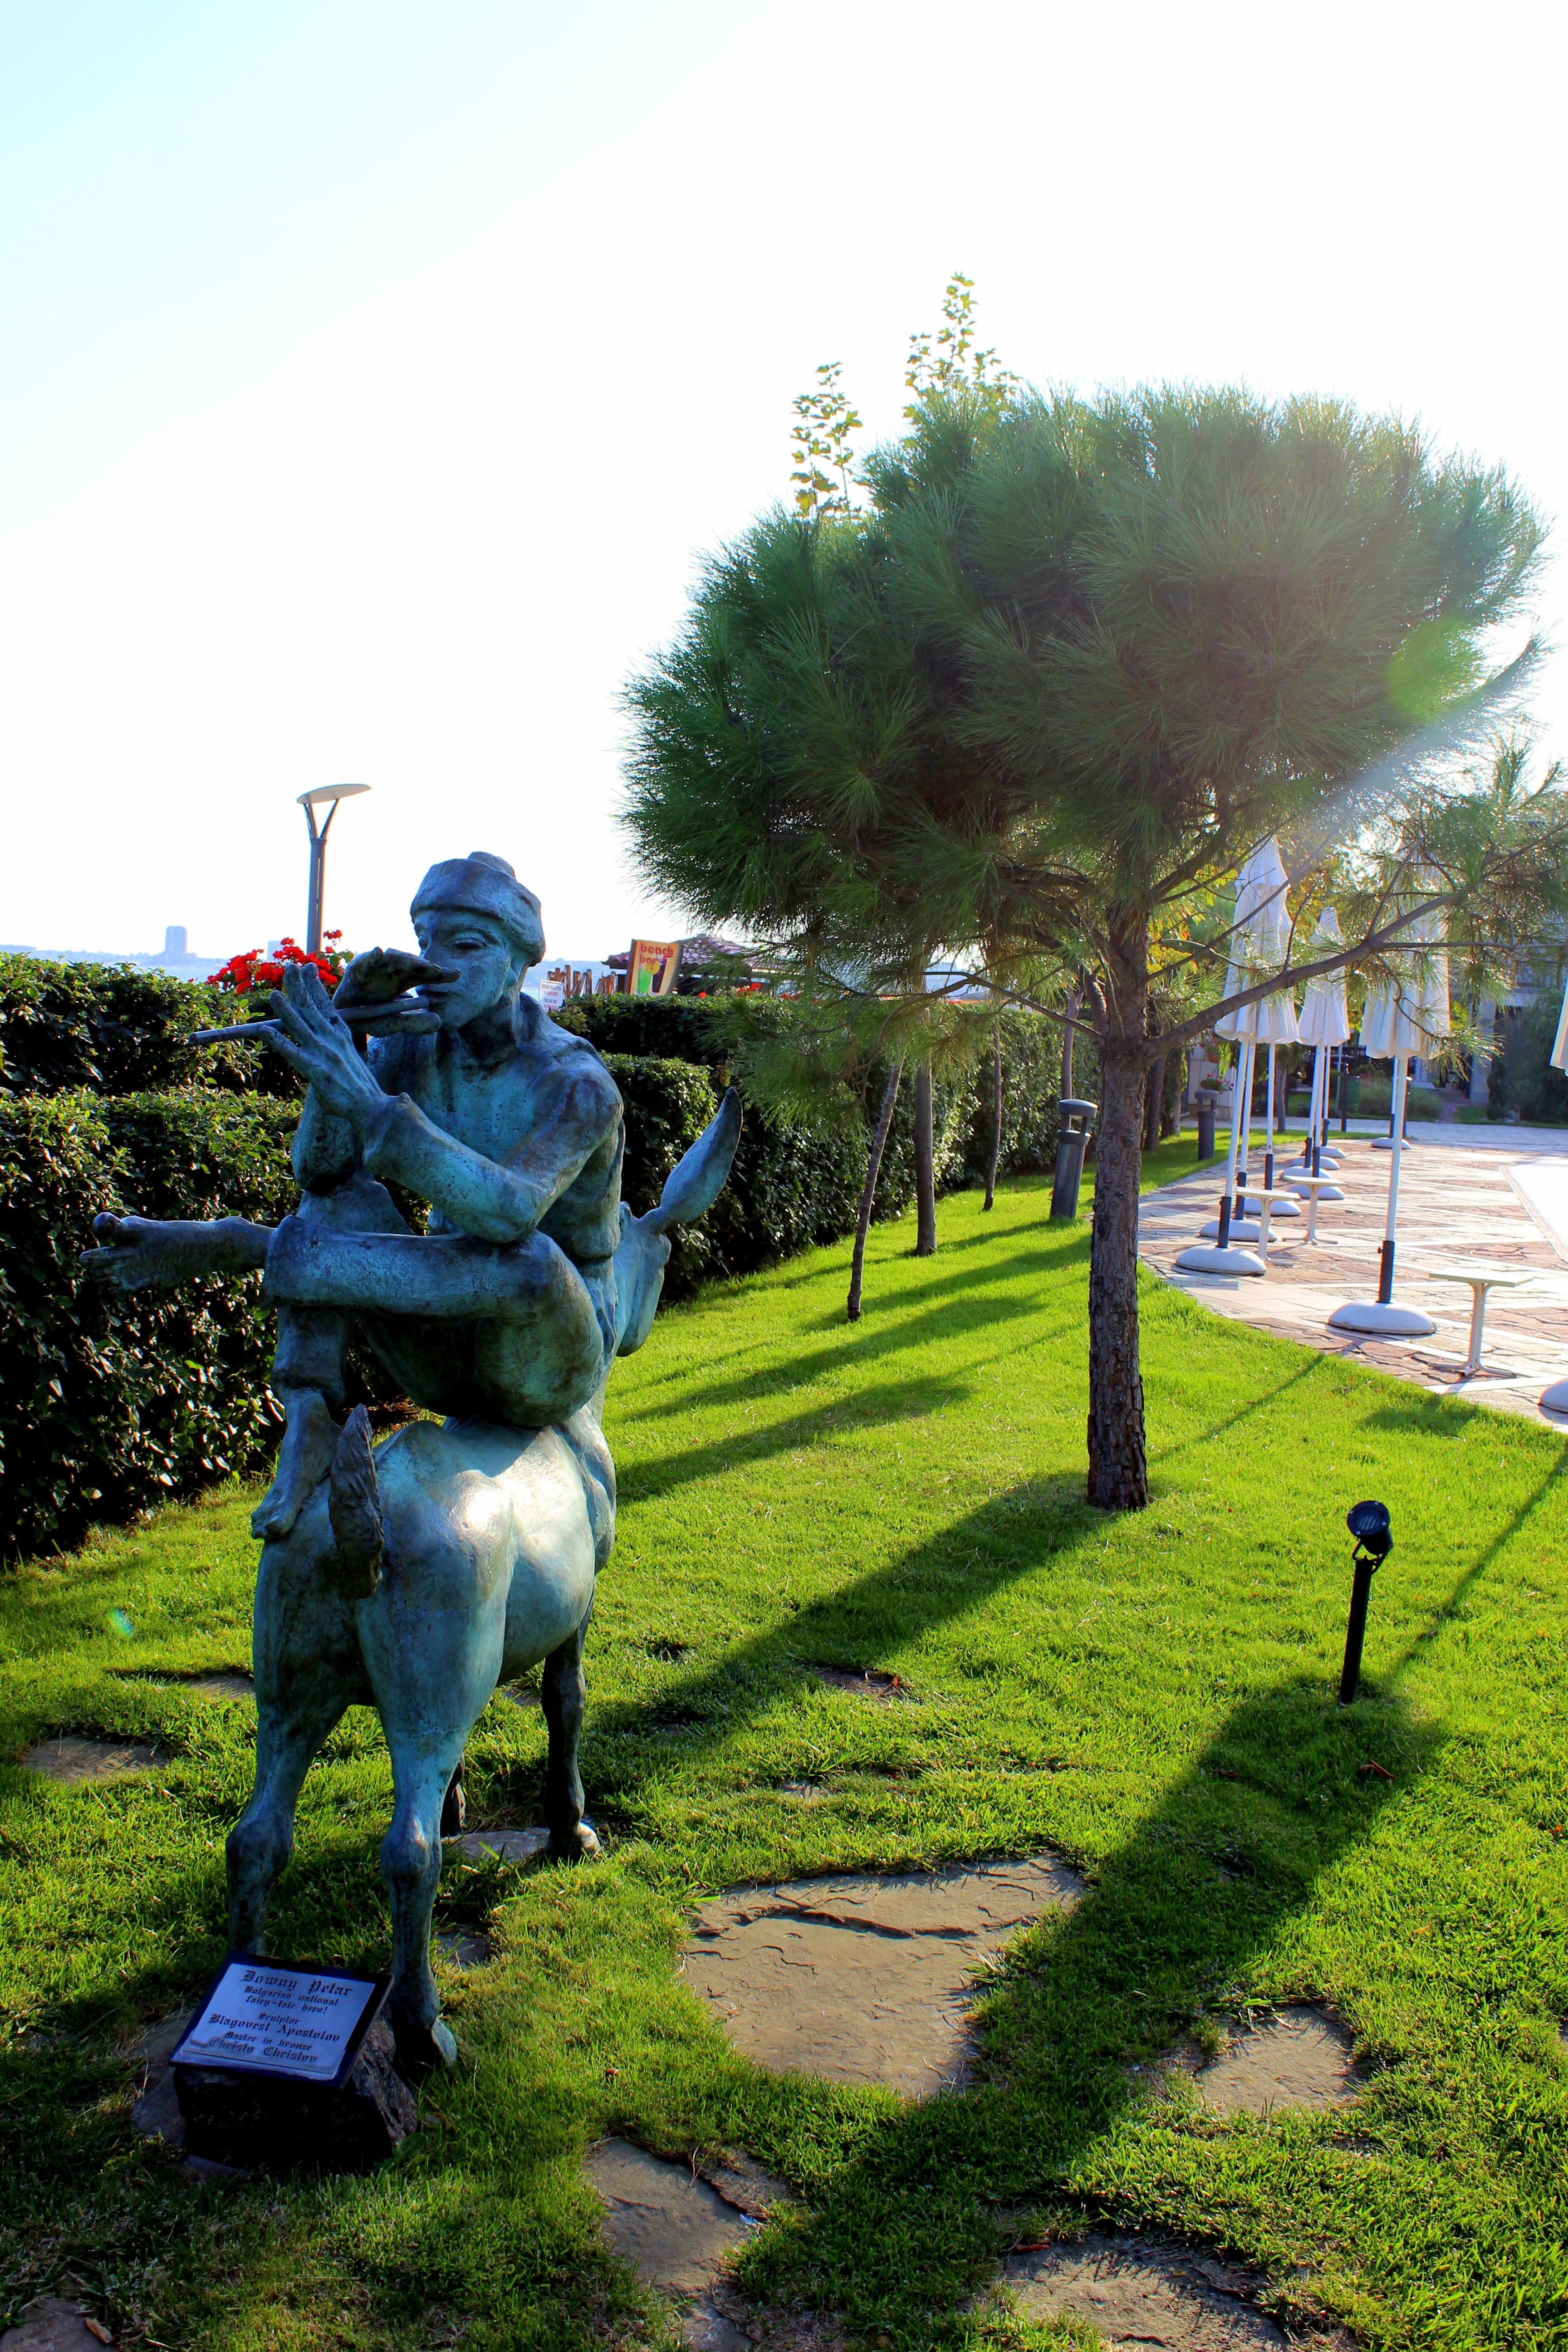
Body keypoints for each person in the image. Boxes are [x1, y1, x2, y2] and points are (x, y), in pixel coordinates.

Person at [84, 852, 665, 1540]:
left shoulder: (576, 1082)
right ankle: (311, 1423)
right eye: (426, 943)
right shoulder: (417, 1050)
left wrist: (369, 1103)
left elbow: (510, 1214)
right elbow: (323, 1172)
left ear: (518, 962)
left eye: (466, 945)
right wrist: (347, 1028)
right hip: (447, 1345)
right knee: (333, 1207)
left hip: (543, 1357)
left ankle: (242, 1246)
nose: (436, 963)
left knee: (529, 1259)